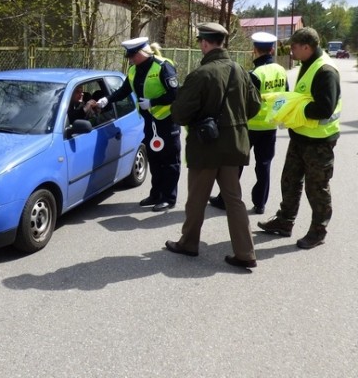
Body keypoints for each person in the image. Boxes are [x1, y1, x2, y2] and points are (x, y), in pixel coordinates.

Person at [164, 22, 261, 269]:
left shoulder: (200, 74)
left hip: (205, 147)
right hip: (234, 146)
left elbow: (180, 114)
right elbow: (254, 107)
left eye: (199, 42)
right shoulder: (240, 70)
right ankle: (246, 252)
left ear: (205, 43)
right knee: (234, 200)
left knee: (196, 199)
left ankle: (189, 243)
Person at [257, 27, 341, 249]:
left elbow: (324, 108)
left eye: (294, 47)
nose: (291, 51)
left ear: (307, 47)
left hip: (319, 142)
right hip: (301, 136)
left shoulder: (325, 71)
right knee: (290, 181)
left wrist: (294, 109)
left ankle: (318, 232)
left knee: (317, 188)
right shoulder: (307, 63)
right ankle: (284, 222)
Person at [96, 37, 181, 212]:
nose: (130, 59)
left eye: (133, 55)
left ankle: (168, 197)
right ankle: (156, 194)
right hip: (149, 122)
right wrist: (107, 100)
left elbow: (176, 94)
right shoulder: (134, 70)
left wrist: (153, 102)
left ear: (142, 53)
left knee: (170, 160)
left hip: (167, 121)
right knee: (155, 159)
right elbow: (123, 91)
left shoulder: (163, 66)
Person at [209, 32, 288, 214]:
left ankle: (226, 199)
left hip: (250, 126)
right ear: (273, 49)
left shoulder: (255, 74)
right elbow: (285, 96)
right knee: (264, 165)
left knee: (236, 163)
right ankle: (260, 204)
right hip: (270, 126)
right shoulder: (281, 70)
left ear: (254, 50)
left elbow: (243, 102)